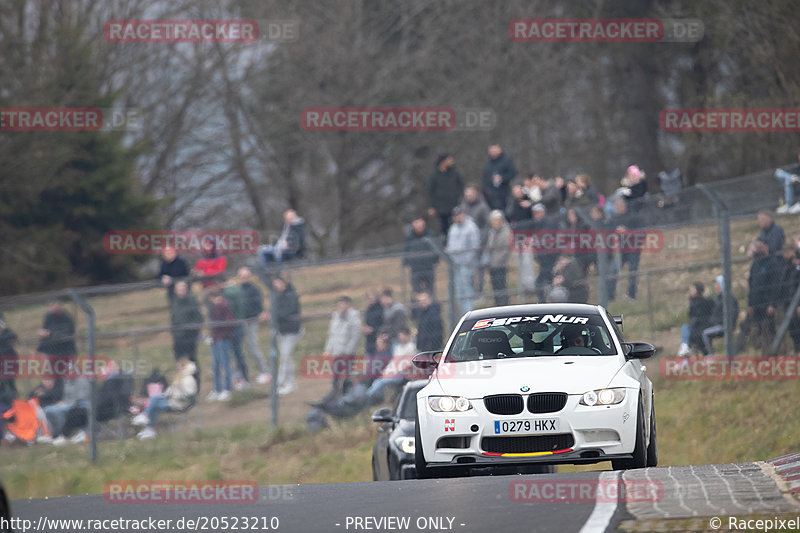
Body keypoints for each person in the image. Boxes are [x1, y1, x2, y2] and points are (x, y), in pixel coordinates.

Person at [133, 357, 198, 440]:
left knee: (154, 400)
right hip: (173, 402)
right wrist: (166, 394)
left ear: (184, 366)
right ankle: (149, 428)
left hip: (180, 405)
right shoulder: (180, 377)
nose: (177, 368)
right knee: (154, 401)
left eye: (179, 366)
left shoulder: (188, 379)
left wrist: (175, 396)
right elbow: (172, 390)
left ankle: (146, 419)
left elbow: (189, 394)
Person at [736, 239, 782, 355]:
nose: (757, 249)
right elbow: (751, 285)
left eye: (759, 246)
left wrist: (772, 304)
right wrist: (750, 304)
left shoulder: (773, 263)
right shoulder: (755, 264)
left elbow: (775, 286)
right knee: (747, 328)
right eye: (756, 246)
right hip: (755, 304)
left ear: (766, 247)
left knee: (768, 330)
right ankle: (738, 353)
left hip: (766, 305)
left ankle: (772, 354)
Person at [318, 296, 362, 405]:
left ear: (348, 305)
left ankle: (347, 397)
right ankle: (334, 394)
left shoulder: (354, 318)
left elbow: (355, 336)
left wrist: (348, 351)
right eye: (340, 304)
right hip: (336, 352)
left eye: (344, 304)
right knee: (335, 375)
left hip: (347, 353)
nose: (341, 307)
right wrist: (328, 349)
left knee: (347, 375)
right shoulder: (335, 317)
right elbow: (331, 335)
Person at [366, 328, 417, 405]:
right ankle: (370, 397)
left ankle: (367, 396)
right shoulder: (398, 347)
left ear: (407, 336)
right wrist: (387, 371)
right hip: (393, 371)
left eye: (402, 335)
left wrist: (394, 371)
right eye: (400, 336)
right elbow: (393, 362)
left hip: (402, 373)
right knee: (378, 381)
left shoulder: (411, 347)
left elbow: (407, 364)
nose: (401, 338)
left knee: (381, 382)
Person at [238, 267, 271, 385]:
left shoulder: (254, 290)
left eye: (246, 276)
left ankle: (265, 371)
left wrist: (261, 313)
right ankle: (242, 375)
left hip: (251, 321)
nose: (244, 279)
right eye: (242, 277)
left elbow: (259, 305)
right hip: (241, 322)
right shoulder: (238, 289)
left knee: (253, 347)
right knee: (241, 349)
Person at [446, 206, 480, 315]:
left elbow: (475, 245)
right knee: (459, 290)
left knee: (467, 289)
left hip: (467, 263)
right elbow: (450, 245)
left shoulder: (471, 227)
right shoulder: (453, 228)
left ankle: (470, 313)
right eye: (455, 216)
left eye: (459, 214)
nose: (457, 217)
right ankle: (463, 314)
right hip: (455, 264)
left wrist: (467, 260)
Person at [271, 276, 302, 395]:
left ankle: (279, 383)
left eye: (277, 283)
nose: (275, 286)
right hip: (282, 331)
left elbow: (286, 312)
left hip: (292, 331)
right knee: (287, 357)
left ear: (283, 284)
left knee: (285, 357)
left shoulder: (291, 295)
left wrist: (273, 315)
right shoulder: (276, 297)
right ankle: (290, 383)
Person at [607, 197, 642, 301]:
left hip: (633, 249)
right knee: (613, 271)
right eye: (615, 207)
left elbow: (641, 233)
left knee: (632, 271)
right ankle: (610, 296)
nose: (616, 209)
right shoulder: (615, 219)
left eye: (617, 207)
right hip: (620, 251)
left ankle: (631, 295)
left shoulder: (633, 217)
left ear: (623, 206)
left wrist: (627, 233)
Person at [460, 184, 491, 294]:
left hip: (480, 244)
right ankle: (470, 292)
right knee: (469, 270)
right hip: (467, 247)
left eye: (471, 194)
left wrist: (481, 240)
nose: (469, 196)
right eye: (467, 194)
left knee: (480, 268)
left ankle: (480, 291)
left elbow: (487, 225)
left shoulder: (482, 207)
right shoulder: (463, 207)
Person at [207, 288, 234, 401]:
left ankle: (227, 389)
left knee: (225, 364)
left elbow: (228, 323)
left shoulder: (224, 306)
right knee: (216, 365)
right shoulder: (214, 307)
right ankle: (217, 389)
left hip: (223, 339)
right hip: (215, 339)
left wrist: (221, 335)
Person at [427, 153, 464, 237]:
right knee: (444, 229)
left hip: (454, 206)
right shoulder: (434, 175)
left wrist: (458, 197)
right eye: (449, 159)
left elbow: (461, 185)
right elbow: (430, 191)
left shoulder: (454, 173)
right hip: (441, 208)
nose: (451, 161)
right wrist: (432, 206)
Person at [222, 277, 249, 390]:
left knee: (233, 353)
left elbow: (228, 310)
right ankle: (245, 378)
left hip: (231, 326)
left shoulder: (227, 294)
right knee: (239, 353)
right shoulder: (239, 291)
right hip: (240, 324)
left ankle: (238, 379)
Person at [702, 276, 739, 356]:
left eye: (717, 285)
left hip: (724, 326)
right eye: (715, 286)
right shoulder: (719, 299)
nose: (715, 287)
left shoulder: (729, 298)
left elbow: (732, 314)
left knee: (705, 333)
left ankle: (711, 355)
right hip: (717, 325)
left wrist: (719, 322)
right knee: (701, 330)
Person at [402, 216, 439, 293]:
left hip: (428, 268)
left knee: (430, 290)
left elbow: (436, 249)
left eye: (420, 225)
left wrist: (435, 261)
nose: (419, 227)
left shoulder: (430, 234)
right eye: (416, 224)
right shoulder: (409, 237)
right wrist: (406, 264)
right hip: (415, 269)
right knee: (416, 291)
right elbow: (406, 251)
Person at [677, 282, 714, 358]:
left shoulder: (706, 301)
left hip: (704, 325)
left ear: (698, 290)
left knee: (694, 334)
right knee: (685, 327)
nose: (690, 291)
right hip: (695, 326)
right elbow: (690, 316)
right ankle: (685, 347)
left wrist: (696, 320)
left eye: (692, 289)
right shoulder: (692, 302)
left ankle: (688, 352)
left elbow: (708, 315)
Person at [170, 280, 203, 364]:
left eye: (183, 289)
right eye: (179, 289)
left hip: (189, 337)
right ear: (175, 290)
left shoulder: (191, 300)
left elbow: (198, 317)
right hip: (178, 337)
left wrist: (193, 330)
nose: (181, 291)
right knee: (179, 361)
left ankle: (195, 377)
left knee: (192, 361)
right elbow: (174, 318)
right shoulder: (174, 301)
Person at [485, 210, 511, 306]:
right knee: (494, 286)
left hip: (500, 264)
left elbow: (505, 250)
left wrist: (496, 262)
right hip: (492, 264)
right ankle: (497, 303)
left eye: (496, 220)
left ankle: (503, 304)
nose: (494, 223)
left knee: (501, 286)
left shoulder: (506, 232)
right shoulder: (492, 232)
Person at [482, 144, 517, 211]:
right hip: (490, 193)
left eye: (494, 150)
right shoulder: (488, 163)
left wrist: (502, 178)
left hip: (504, 191)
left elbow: (513, 173)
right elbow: (485, 177)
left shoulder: (506, 161)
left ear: (499, 150)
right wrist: (484, 191)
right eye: (491, 151)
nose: (493, 152)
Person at [774, 148, 800, 214]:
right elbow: (792, 172)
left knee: (788, 181)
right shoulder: (796, 167)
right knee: (778, 172)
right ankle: (791, 178)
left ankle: (788, 205)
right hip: (793, 185)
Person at [361, 289, 384, 356]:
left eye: (370, 298)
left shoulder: (381, 309)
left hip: (379, 341)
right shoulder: (368, 310)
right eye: (367, 298)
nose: (369, 300)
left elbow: (384, 325)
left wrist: (373, 329)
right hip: (369, 342)